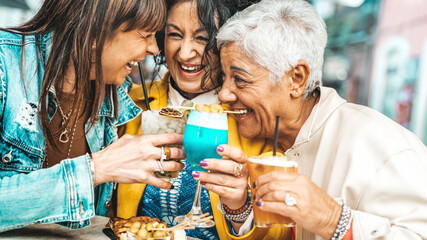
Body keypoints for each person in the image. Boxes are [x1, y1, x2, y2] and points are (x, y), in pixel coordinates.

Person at [203, 0, 427, 239]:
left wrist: (332, 219)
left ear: (296, 80)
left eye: (240, 78)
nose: (224, 94)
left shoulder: (379, 143)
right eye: (224, 77)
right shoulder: (270, 138)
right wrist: (240, 208)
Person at [0, 0, 186, 233]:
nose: (154, 49)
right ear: (97, 30)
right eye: (146, 35)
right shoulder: (4, 66)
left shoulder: (116, 96)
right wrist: (95, 170)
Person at [116, 0, 292, 239]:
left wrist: (240, 207)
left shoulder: (254, 119)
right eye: (174, 35)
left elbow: (280, 233)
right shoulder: (130, 104)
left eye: (202, 38)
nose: (185, 53)